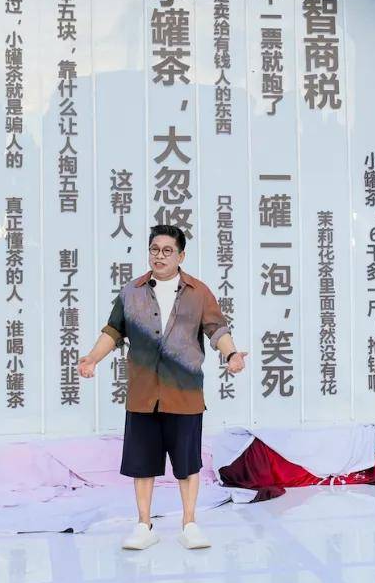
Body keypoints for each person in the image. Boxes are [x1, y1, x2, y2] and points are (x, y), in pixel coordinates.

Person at [77, 224, 247, 550]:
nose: (160, 256)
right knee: (142, 465)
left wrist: (232, 354)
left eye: (167, 250)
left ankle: (190, 524)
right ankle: (144, 525)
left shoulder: (198, 292)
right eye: (154, 249)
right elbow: (112, 331)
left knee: (187, 464)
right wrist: (92, 359)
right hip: (143, 393)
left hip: (184, 392)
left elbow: (217, 329)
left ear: (181, 256)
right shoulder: (131, 292)